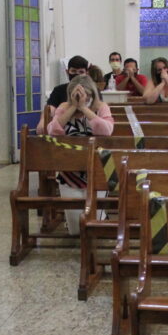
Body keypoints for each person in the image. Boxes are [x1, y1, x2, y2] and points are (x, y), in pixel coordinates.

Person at [45, 74, 114, 235]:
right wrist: (72, 108)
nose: (83, 99)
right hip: (69, 173)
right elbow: (52, 131)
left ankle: (101, 217)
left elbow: (106, 131)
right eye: (76, 96)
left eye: (86, 96)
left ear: (93, 94)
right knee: (76, 231)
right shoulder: (64, 107)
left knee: (94, 227)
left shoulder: (101, 107)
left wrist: (84, 109)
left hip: (97, 172)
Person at [37, 55, 89, 133]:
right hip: (62, 131)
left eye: (81, 72)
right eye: (73, 71)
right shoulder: (59, 90)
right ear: (67, 72)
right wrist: (43, 121)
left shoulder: (93, 91)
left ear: (86, 73)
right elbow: (50, 108)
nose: (77, 74)